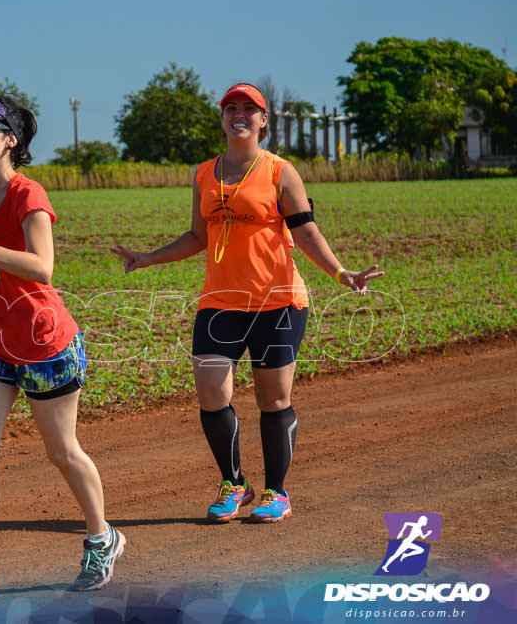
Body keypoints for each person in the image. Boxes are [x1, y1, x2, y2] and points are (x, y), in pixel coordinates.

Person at [111, 83, 383, 524]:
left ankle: (276, 492)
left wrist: (341, 272)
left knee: (272, 399)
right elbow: (198, 236)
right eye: (231, 108)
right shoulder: (205, 173)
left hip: (278, 303)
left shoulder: (280, 172)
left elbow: (307, 232)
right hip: (220, 302)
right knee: (211, 394)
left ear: (263, 120)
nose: (239, 114)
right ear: (222, 118)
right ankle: (235, 483)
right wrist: (146, 259)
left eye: (248, 109)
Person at [0, 95, 124, 601]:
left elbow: (43, 267)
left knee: (61, 451)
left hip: (44, 341)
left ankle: (103, 538)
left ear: (10, 139)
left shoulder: (28, 194)